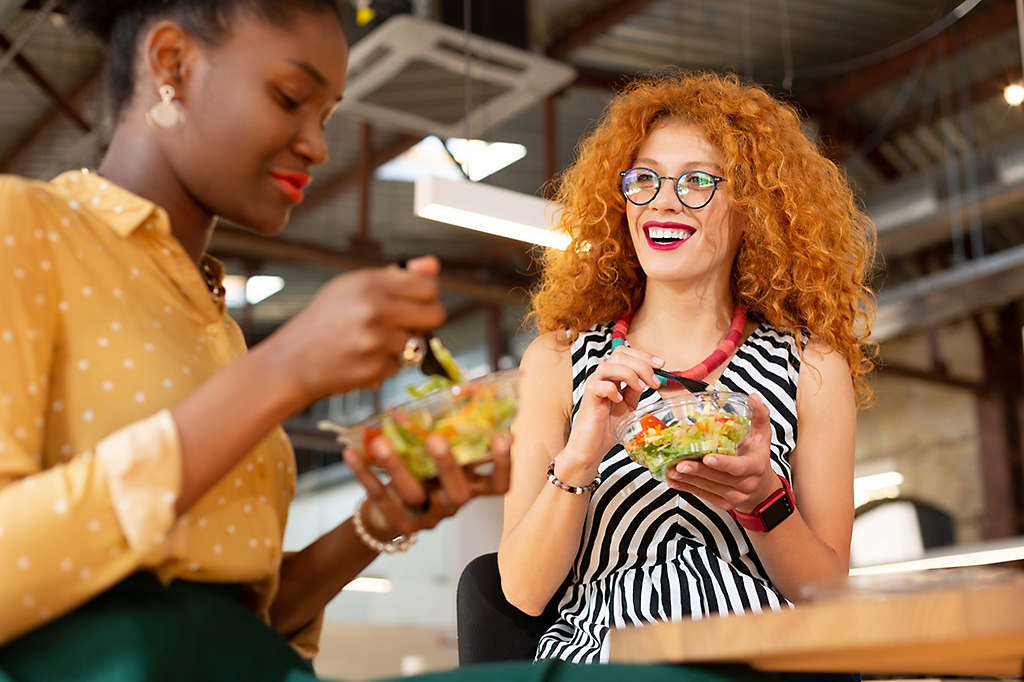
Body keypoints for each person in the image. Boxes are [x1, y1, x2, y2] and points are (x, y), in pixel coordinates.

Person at [0, 3, 779, 682]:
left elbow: (249, 621)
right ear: (171, 62)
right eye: (290, 97)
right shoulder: (22, 229)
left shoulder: (214, 325)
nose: (317, 145)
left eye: (327, 115)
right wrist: (280, 373)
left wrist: (386, 520)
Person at [498, 72, 876, 663]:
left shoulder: (811, 366)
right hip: (599, 660)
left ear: (755, 207)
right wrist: (579, 457)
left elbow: (827, 595)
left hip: (758, 659)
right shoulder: (557, 361)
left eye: (697, 181)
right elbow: (521, 592)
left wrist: (763, 499)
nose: (663, 200)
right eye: (643, 179)